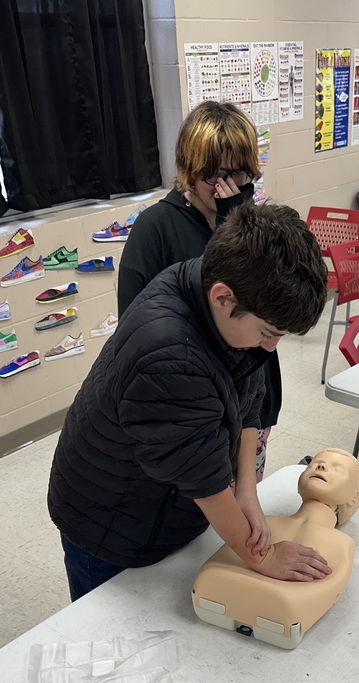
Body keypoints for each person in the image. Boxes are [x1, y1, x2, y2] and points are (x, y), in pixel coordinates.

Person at [47, 202, 329, 601]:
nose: (271, 346)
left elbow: (250, 394)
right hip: (108, 522)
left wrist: (247, 489)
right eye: (268, 332)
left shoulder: (218, 292)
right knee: (114, 644)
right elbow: (204, 478)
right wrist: (264, 559)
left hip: (163, 500)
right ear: (222, 297)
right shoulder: (170, 354)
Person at [118, 101, 281, 480]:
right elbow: (136, 331)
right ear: (190, 170)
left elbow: (270, 306)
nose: (226, 187)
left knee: (245, 497)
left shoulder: (250, 219)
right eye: (214, 174)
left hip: (253, 396)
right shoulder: (155, 229)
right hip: (193, 402)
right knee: (204, 512)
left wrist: (238, 219)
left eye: (239, 173)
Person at [192, 449, 359, 648]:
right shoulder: (264, 522)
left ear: (353, 498)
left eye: (337, 469)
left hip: (218, 592)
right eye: (314, 463)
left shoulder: (342, 544)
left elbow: (321, 589)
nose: (320, 466)